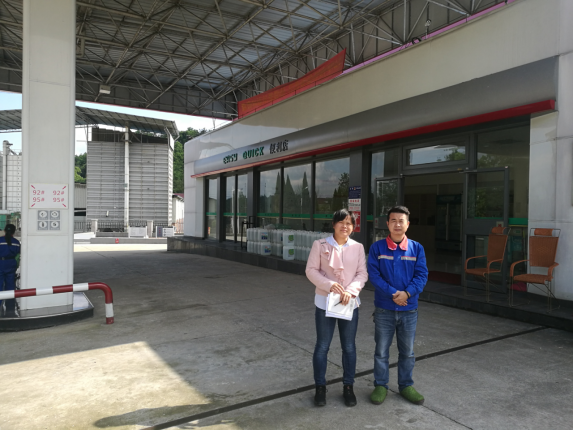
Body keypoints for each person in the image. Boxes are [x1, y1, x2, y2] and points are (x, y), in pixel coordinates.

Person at [306, 209, 368, 407]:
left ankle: (348, 386)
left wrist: (350, 291)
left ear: (353, 227)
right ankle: (320, 387)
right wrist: (329, 285)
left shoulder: (358, 247)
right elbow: (311, 270)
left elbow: (362, 274)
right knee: (322, 346)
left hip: (348, 304)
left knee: (349, 347)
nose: (345, 226)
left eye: (349, 223)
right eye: (341, 222)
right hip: (324, 303)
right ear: (333, 224)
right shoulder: (320, 245)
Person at [367, 206, 428, 406]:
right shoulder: (377, 248)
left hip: (409, 309)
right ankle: (381, 385)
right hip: (384, 308)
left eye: (401, 221)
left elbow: (421, 275)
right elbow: (374, 275)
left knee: (407, 352)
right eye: (393, 220)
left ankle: (406, 385)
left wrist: (407, 293)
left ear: (407, 224)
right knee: (381, 351)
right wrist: (394, 293)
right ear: (387, 224)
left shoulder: (416, 248)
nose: (397, 224)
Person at [0, 224, 20, 318]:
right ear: (14, 232)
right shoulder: (16, 242)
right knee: (10, 287)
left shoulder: (0, 240)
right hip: (11, 265)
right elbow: (18, 256)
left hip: (1, 264)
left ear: (4, 230)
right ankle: (10, 308)